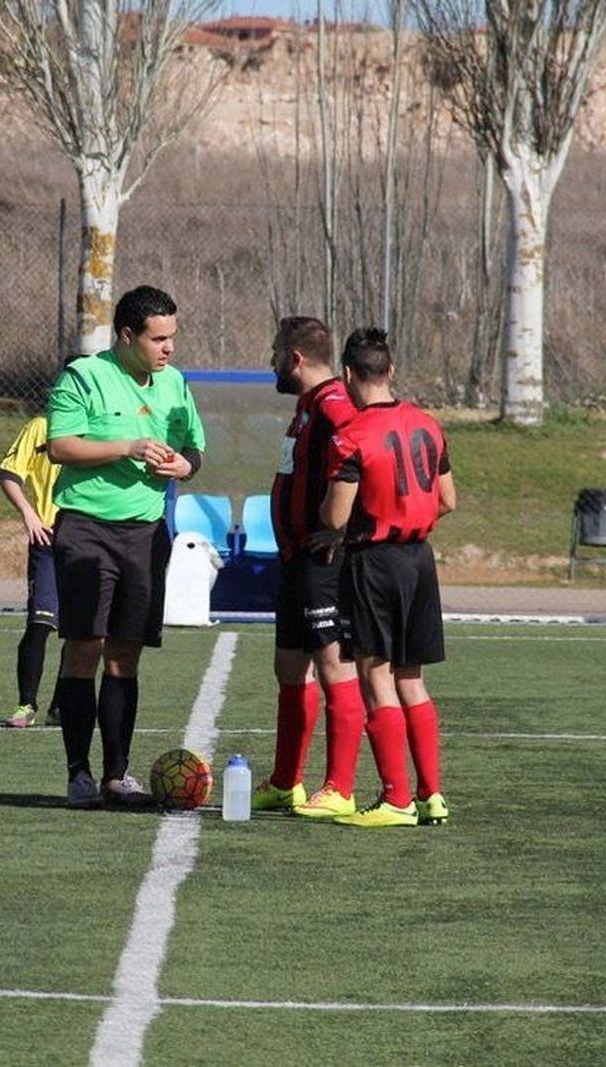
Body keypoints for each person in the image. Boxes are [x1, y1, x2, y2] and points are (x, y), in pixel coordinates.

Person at [46, 285, 207, 809]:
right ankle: (78, 774)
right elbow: (60, 446)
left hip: (145, 534)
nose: (169, 348)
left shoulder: (175, 383)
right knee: (85, 647)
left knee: (125, 655)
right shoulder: (85, 377)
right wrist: (128, 446)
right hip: (86, 530)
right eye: (158, 338)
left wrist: (184, 465)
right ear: (126, 336)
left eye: (172, 338)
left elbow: (193, 448)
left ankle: (118, 775)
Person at [315, 327, 454, 828]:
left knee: (376, 677)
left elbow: (335, 517)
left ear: (349, 375)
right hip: (419, 559)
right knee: (411, 678)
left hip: (374, 563)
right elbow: (448, 500)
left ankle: (395, 800)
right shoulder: (429, 425)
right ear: (390, 370)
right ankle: (431, 795)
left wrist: (329, 529)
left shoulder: (350, 435)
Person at [251, 316, 371, 819]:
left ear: (296, 358)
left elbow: (365, 455)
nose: (272, 361)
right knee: (289, 667)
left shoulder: (335, 406)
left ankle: (339, 787)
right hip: (297, 560)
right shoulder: (308, 408)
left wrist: (342, 529)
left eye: (277, 352)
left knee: (333, 666)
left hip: (324, 561)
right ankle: (285, 782)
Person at [0, 404, 64, 728]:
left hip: (93, 540)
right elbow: (8, 473)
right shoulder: (41, 427)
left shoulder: (107, 429)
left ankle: (62, 705)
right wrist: (29, 513)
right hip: (49, 538)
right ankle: (26, 704)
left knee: (87, 634)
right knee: (41, 623)